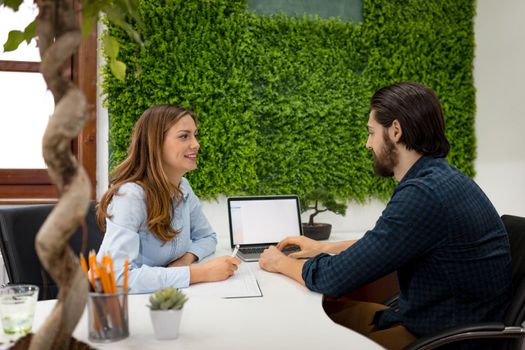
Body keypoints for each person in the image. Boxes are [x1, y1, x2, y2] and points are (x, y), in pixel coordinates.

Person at [259, 82, 512, 349]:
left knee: (311, 334)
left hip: (441, 340)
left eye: (371, 133)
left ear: (395, 130)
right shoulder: (441, 179)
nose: (367, 144)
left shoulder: (423, 195)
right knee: (332, 313)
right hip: (434, 321)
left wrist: (278, 262)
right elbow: (385, 244)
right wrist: (323, 247)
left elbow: (334, 279)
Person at [96, 104, 240, 293]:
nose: (196, 144)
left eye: (195, 135)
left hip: (171, 297)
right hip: (137, 307)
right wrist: (200, 273)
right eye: (184, 136)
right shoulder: (132, 196)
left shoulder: (183, 187)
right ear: (155, 143)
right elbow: (110, 277)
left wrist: (185, 260)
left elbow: (207, 237)